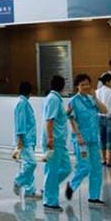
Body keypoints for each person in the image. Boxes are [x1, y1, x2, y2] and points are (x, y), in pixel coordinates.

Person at [64, 72, 105, 205]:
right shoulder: (73, 101)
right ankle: (71, 185)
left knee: (97, 168)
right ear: (77, 86)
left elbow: (104, 110)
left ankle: (94, 196)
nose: (86, 87)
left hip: (93, 138)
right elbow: (72, 119)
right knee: (84, 167)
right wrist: (78, 135)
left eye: (87, 84)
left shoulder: (91, 99)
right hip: (81, 139)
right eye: (82, 85)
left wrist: (95, 98)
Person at [41, 75, 71, 211]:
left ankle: (48, 187)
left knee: (66, 168)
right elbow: (50, 120)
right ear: (62, 86)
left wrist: (67, 112)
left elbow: (58, 118)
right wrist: (50, 138)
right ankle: (50, 201)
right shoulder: (53, 99)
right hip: (54, 141)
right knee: (52, 170)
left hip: (60, 142)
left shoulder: (55, 99)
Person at [11, 81, 37, 197]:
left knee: (28, 165)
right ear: (30, 92)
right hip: (24, 141)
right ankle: (18, 181)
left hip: (29, 139)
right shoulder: (22, 103)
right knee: (32, 163)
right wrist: (20, 141)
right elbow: (20, 123)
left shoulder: (24, 103)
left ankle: (29, 191)